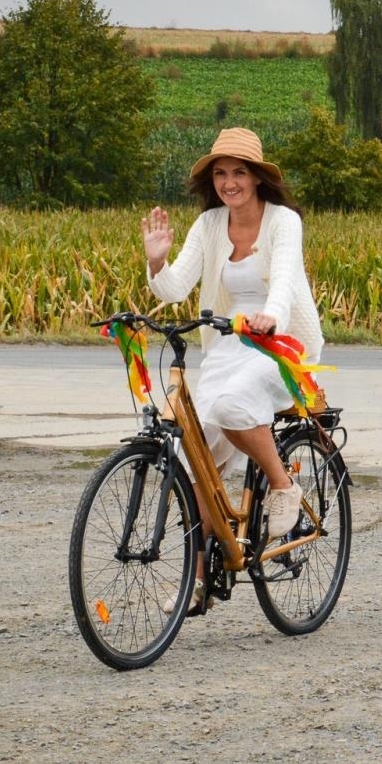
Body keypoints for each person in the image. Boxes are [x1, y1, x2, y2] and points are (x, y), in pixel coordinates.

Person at [142, 127, 324, 554]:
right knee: (195, 455)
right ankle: (199, 578)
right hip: (227, 348)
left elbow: (284, 280)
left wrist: (270, 318)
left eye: (239, 172)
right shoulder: (209, 224)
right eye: (220, 174)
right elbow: (175, 288)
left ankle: (283, 485)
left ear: (258, 176)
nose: (229, 183)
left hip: (282, 346)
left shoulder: (283, 221)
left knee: (231, 406)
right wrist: (157, 262)